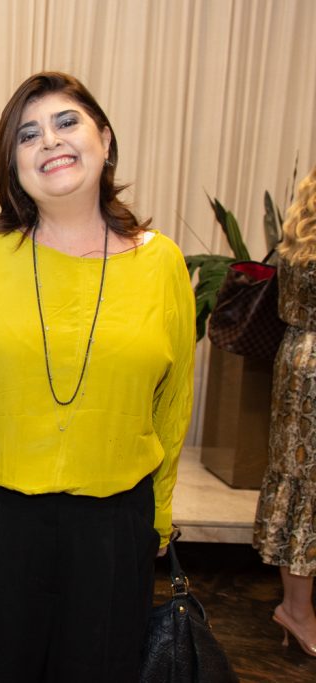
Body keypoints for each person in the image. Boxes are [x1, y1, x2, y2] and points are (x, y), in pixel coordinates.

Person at [0, 71, 196, 681]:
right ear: (12, 163)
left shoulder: (163, 263)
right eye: (28, 134)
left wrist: (159, 511)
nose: (49, 140)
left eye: (66, 122)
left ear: (103, 137)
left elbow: (173, 402)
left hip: (113, 527)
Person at [253, 164, 316, 658]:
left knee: (297, 483)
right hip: (312, 374)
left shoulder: (296, 240)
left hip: (296, 360)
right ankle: (298, 611)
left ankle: (297, 607)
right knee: (307, 490)